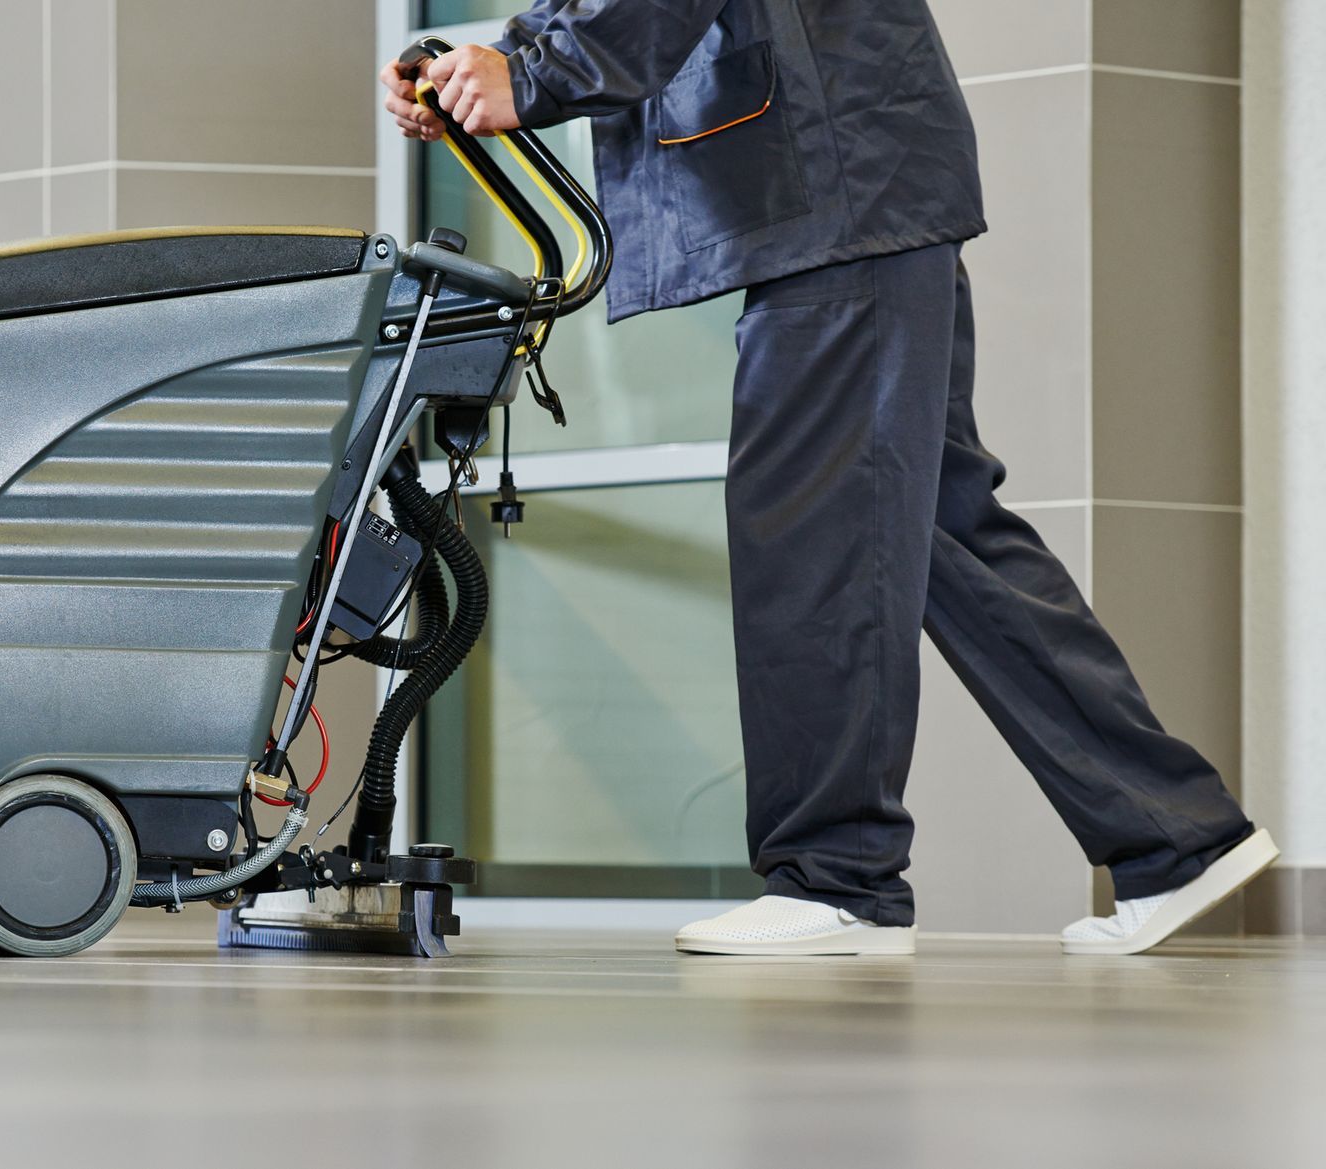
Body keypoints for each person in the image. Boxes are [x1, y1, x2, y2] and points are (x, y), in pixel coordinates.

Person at [381, 0, 1276, 957]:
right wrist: (495, 62)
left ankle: (836, 876)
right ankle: (1174, 835)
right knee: (943, 538)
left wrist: (535, 72)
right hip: (852, 181)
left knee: (806, 529)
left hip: (837, 184)